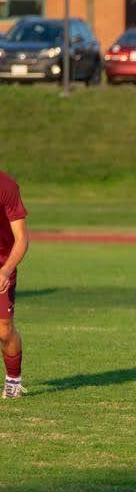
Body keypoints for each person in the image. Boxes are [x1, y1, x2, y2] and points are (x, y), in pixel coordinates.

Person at [0, 169, 29, 399]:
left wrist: (6, 271)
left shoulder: (6, 185)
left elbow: (21, 238)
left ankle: (13, 380)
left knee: (4, 330)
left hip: (1, 264)